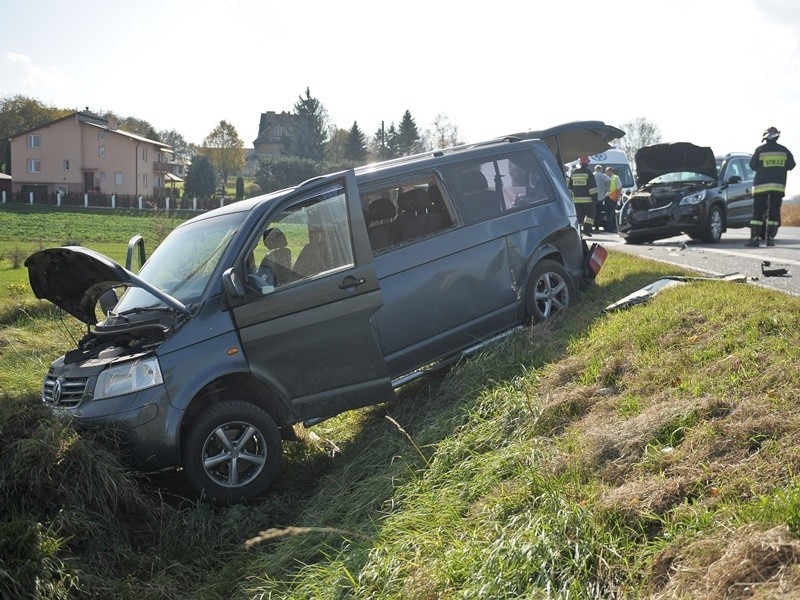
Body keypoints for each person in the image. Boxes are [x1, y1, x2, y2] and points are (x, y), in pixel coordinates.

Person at [745, 126, 795, 247]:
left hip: (760, 187)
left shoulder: (760, 150)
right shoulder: (784, 150)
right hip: (778, 187)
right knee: (773, 214)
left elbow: (752, 166)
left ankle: (755, 239)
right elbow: (791, 165)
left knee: (757, 214)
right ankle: (770, 239)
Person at [568, 156, 598, 236]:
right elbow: (592, 188)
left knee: (579, 216)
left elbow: (570, 188)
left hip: (576, 200)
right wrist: (595, 199)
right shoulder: (588, 172)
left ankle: (578, 231)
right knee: (591, 214)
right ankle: (586, 228)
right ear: (587, 163)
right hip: (588, 200)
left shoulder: (574, 172)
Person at [593, 164, 611, 231]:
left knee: (592, 212)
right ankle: (597, 227)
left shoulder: (592, 175)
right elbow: (609, 181)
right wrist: (607, 188)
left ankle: (592, 226)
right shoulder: (603, 175)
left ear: (595, 169)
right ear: (601, 169)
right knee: (598, 212)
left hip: (592, 197)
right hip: (601, 197)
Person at [605, 166, 623, 233]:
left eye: (607, 171)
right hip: (606, 198)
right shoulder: (605, 177)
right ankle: (609, 228)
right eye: (606, 171)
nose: (606, 172)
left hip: (613, 198)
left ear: (611, 172)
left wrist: (617, 197)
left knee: (612, 214)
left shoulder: (616, 177)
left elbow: (619, 188)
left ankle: (612, 228)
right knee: (608, 213)